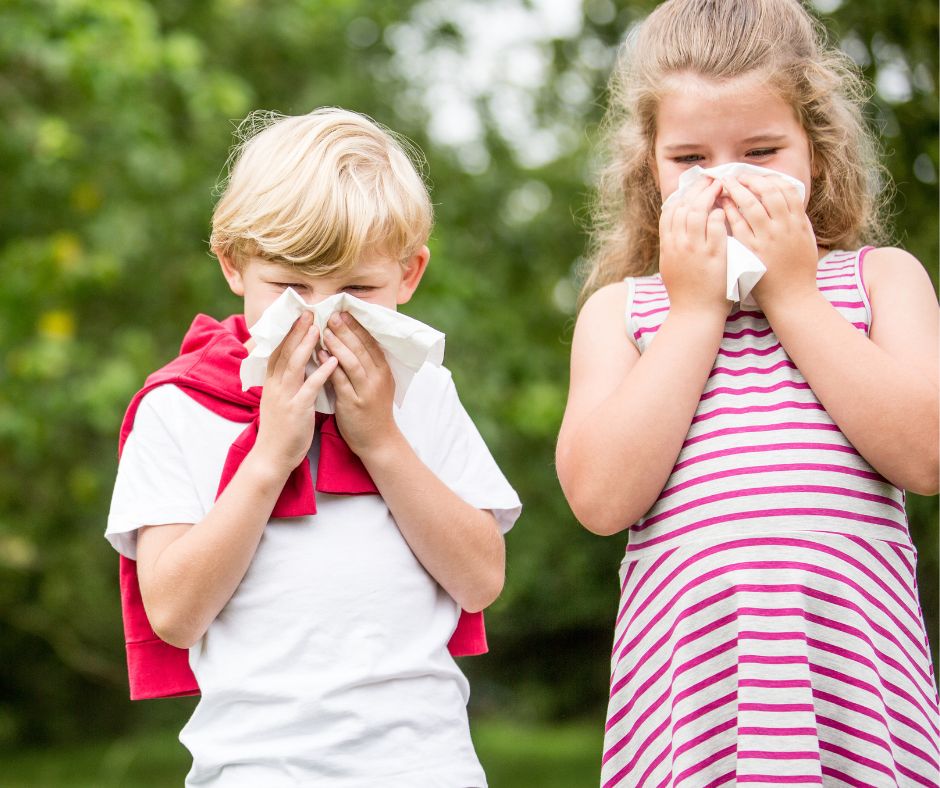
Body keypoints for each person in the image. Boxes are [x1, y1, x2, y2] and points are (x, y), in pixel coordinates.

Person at [555, 0, 939, 785]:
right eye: (690, 159)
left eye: (761, 150)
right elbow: (599, 499)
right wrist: (695, 309)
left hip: (853, 698)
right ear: (649, 170)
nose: (725, 182)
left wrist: (794, 296)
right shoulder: (622, 314)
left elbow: (927, 457)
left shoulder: (878, 281)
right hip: (694, 705)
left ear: (817, 154)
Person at [106, 107, 521, 787]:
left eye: (358, 289)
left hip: (427, 767)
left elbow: (481, 579)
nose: (322, 316)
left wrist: (382, 440)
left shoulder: (422, 394)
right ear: (235, 264)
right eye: (291, 287)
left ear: (409, 275)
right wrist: (271, 455)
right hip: (254, 769)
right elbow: (175, 615)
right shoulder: (177, 409)